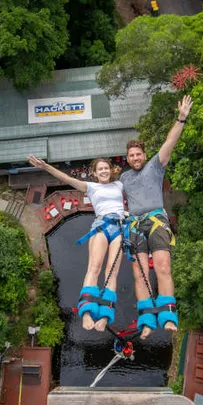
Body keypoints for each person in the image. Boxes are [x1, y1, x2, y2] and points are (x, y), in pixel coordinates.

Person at [121, 95, 192, 339]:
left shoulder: (155, 165)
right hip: (135, 225)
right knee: (139, 274)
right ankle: (147, 318)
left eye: (138, 154)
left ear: (144, 154)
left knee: (162, 266)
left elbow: (170, 142)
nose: (135, 158)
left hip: (156, 221)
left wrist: (181, 118)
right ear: (127, 158)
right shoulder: (124, 179)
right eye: (131, 155)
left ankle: (168, 315)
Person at [28, 155, 124, 332]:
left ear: (111, 170)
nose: (104, 171)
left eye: (106, 168)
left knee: (113, 272)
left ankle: (104, 315)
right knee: (94, 268)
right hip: (102, 226)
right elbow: (66, 178)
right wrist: (45, 167)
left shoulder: (119, 184)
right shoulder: (91, 187)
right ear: (95, 173)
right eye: (100, 169)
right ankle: (87, 312)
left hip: (119, 228)